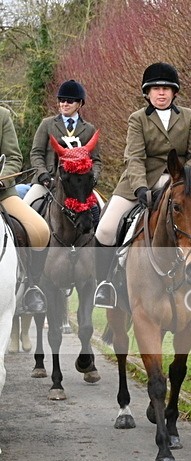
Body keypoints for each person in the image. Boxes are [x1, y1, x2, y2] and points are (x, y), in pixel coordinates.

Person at [92, 62, 191, 308]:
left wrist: (183, 177)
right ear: (147, 93)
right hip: (141, 180)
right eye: (155, 89)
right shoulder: (137, 119)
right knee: (105, 230)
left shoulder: (189, 116)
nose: (161, 93)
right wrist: (141, 188)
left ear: (174, 92)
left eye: (166, 88)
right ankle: (105, 286)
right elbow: (133, 157)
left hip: (181, 182)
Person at [23, 79, 102, 229]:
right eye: (61, 100)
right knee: (26, 212)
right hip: (48, 182)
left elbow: (96, 160)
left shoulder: (89, 129)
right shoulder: (47, 124)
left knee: (101, 211)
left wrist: (94, 178)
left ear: (79, 104)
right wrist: (43, 174)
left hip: (79, 186)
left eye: (70, 101)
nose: (64, 104)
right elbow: (36, 153)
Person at [0, 105, 49, 314]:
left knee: (40, 231)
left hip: (1, 193)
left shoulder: (2, 115)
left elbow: (13, 158)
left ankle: (31, 286)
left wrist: (2, 178)